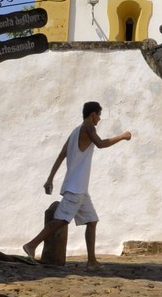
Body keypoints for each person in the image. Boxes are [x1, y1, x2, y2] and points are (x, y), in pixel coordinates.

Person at [21, 101, 132, 267]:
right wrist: (122, 136)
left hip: (79, 188)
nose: (99, 119)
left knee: (92, 221)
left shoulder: (74, 132)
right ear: (93, 114)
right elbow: (101, 144)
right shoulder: (89, 128)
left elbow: (61, 155)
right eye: (99, 115)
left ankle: (92, 261)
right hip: (76, 187)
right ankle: (31, 245)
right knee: (61, 220)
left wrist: (50, 178)